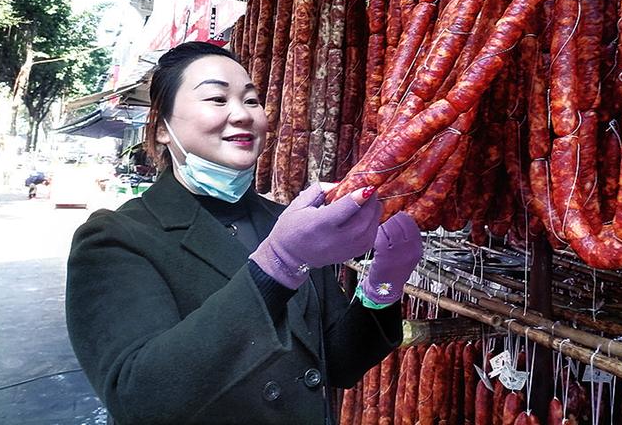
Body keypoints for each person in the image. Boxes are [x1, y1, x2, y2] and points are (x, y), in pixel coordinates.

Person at [66, 41, 423, 424]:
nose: (242, 114)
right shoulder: (116, 237)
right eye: (217, 99)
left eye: (251, 100)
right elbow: (140, 398)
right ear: (162, 128)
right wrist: (277, 265)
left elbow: (338, 363)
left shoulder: (288, 221)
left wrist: (384, 284)